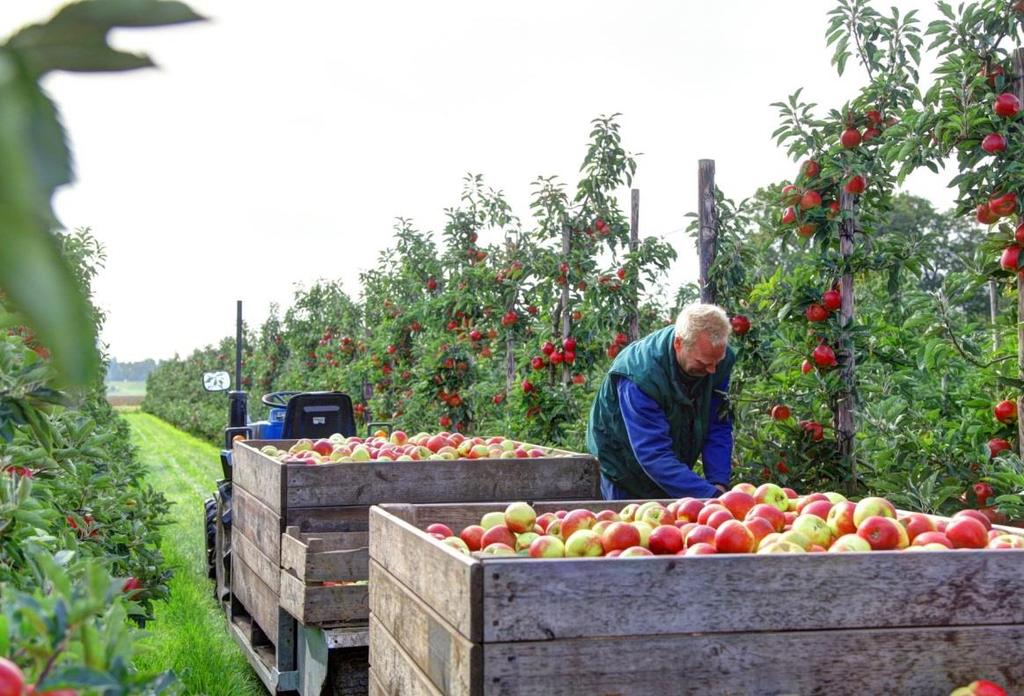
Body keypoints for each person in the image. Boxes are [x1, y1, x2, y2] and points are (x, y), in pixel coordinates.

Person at [586, 302, 735, 500]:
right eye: (703, 363)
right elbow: (653, 453)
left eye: (717, 362)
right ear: (678, 344)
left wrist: (718, 483)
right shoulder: (640, 375)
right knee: (630, 527)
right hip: (623, 467)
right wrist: (708, 495)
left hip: (668, 464)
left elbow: (717, 425)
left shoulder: (715, 360)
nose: (712, 370)